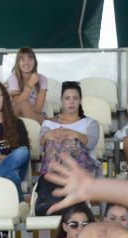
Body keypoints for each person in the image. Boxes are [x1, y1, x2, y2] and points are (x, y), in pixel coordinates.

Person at [36, 81, 101, 211]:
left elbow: (91, 142)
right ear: (61, 100)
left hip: (79, 175)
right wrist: (48, 136)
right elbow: (41, 143)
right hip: (52, 176)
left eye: (75, 98)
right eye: (67, 98)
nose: (71, 102)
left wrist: (75, 134)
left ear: (80, 100)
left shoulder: (90, 123)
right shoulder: (49, 123)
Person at [7, 47, 48, 122]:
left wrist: (26, 112)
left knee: (25, 105)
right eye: (22, 59)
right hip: (18, 111)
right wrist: (30, 84)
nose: (26, 62)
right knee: (23, 104)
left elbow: (38, 108)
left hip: (38, 114)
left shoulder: (42, 79)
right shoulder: (13, 78)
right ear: (18, 63)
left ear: (35, 62)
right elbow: (18, 103)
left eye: (30, 59)